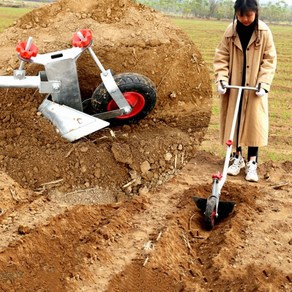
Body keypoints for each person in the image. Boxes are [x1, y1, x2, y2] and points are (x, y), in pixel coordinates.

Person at [213, 0, 277, 182]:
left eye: (248, 15)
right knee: (235, 120)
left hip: (254, 87)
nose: (245, 19)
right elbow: (222, 56)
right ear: (236, 13)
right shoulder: (231, 31)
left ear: (256, 13)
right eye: (241, 15)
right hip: (234, 86)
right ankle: (237, 158)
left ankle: (252, 163)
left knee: (253, 124)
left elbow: (269, 59)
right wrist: (222, 79)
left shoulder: (264, 32)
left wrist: (264, 83)